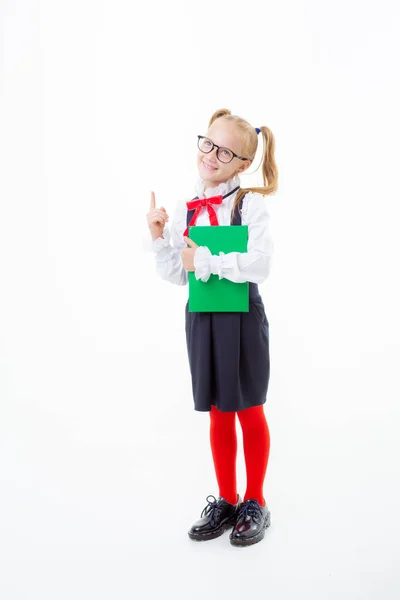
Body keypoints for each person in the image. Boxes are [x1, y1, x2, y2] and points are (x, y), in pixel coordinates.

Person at [146, 108, 278, 547]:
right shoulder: (188, 208)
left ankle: (255, 502)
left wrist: (203, 260)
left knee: (248, 408)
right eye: (208, 143)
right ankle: (226, 499)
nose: (212, 155)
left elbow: (259, 264)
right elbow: (179, 275)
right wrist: (161, 237)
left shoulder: (249, 204)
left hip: (241, 319)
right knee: (219, 409)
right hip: (202, 318)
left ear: (243, 162)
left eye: (226, 151)